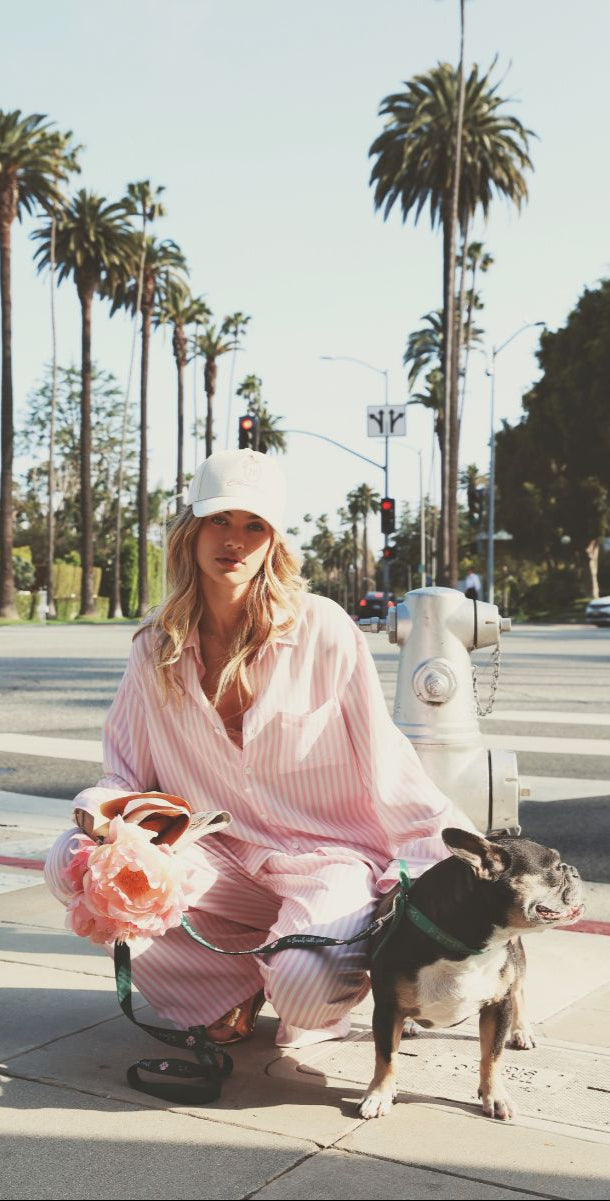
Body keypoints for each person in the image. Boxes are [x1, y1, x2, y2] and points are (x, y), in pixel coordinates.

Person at [45, 449, 473, 1050]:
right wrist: (98, 817)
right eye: (219, 520)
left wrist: (455, 868)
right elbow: (124, 773)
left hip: (327, 859)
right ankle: (233, 985)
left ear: (274, 542)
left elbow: (387, 760)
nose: (234, 541)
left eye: (254, 525)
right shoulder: (154, 648)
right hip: (219, 857)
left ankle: (290, 971)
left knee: (303, 993)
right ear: (192, 531)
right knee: (75, 866)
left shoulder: (323, 630)